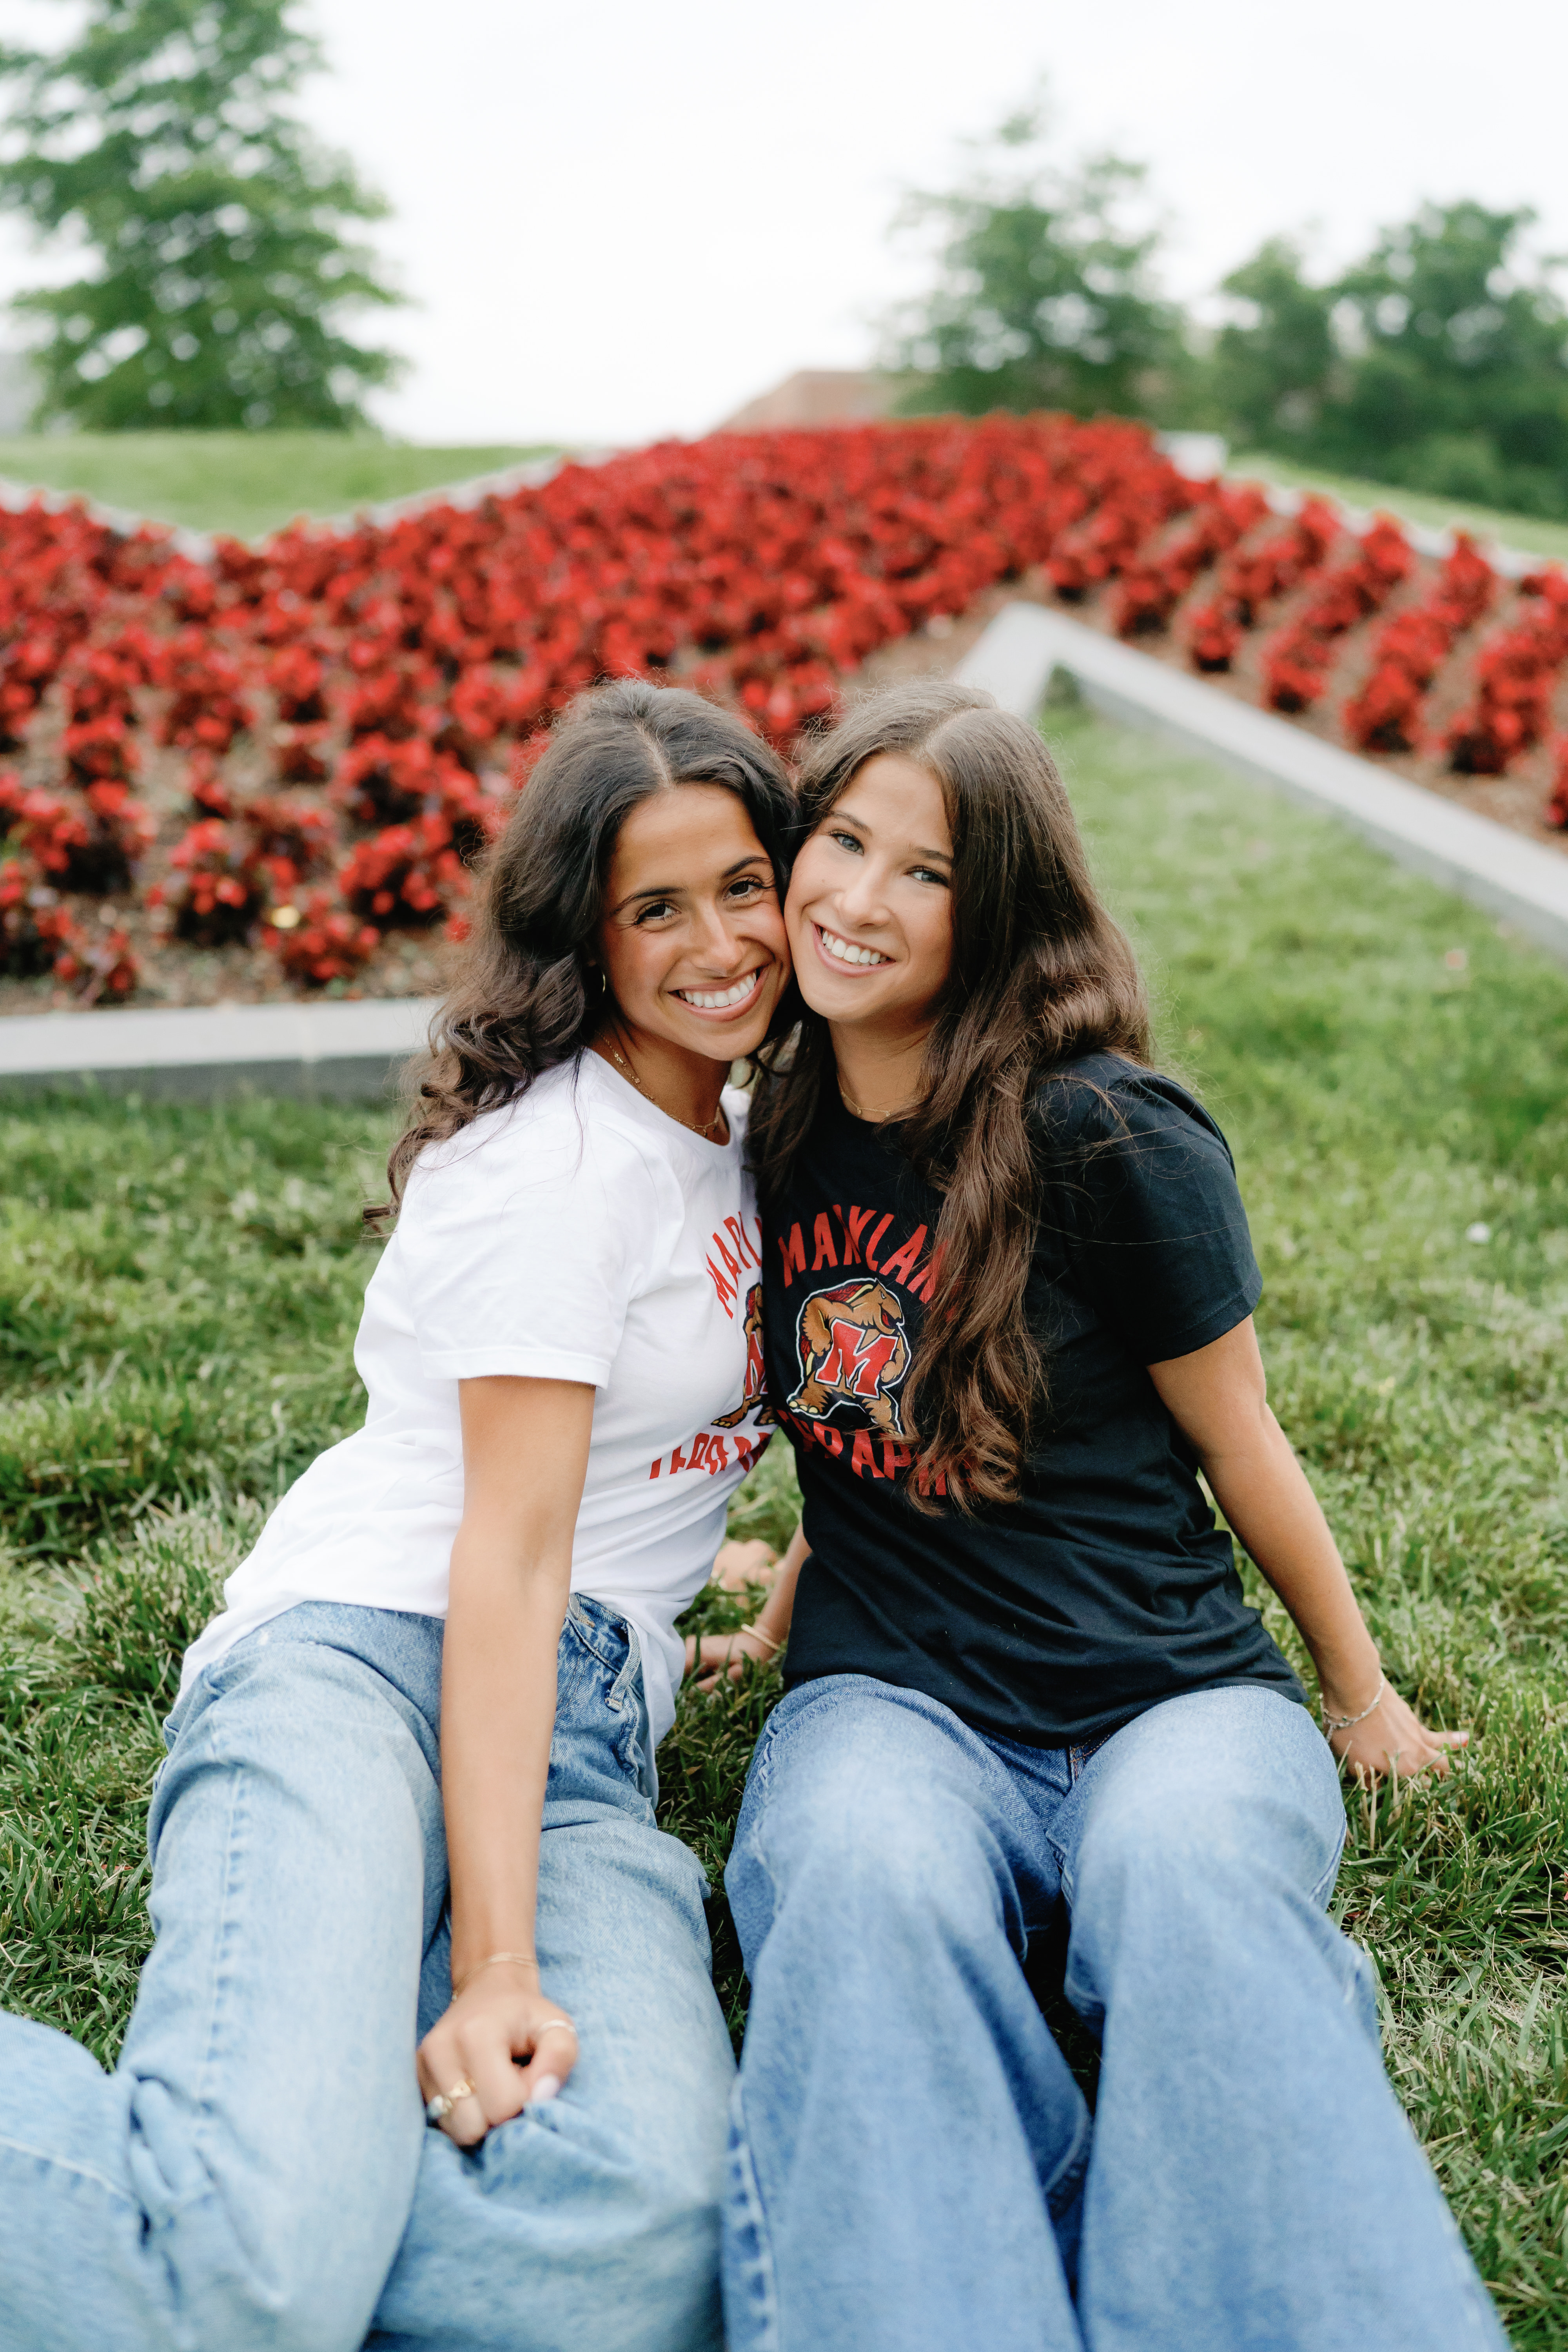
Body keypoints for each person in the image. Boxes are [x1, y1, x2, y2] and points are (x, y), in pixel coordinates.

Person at [691, 681, 1505, 2352]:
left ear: (997, 910)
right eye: (840, 840)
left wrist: (1356, 1698)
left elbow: (1243, 1437)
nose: (857, 898)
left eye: (923, 872)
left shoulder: (1106, 1132)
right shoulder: (771, 1130)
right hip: (891, 1708)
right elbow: (847, 1437)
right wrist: (778, 1612)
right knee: (854, 1895)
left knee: (1201, 1899)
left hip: (1168, 1703)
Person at [0, 679, 796, 2352]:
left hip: (577, 1732)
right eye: (656, 906)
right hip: (370, 1665)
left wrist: (730, 1557)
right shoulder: (555, 1164)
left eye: (743, 884)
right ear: (583, 934)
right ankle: (260, 2218)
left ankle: (302, 2176)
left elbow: (647, 1442)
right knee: (240, 2279)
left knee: (631, 2252)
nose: (722, 941)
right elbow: (504, 1552)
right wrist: (497, 1966)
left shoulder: (738, 1132)